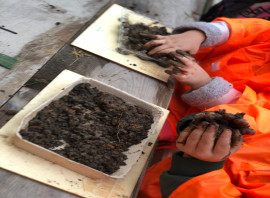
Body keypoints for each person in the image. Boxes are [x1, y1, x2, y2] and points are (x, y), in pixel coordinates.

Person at [137, 17, 270, 197]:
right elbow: (242, 30)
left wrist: (205, 85)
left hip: (186, 159)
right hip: (183, 100)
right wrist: (199, 34)